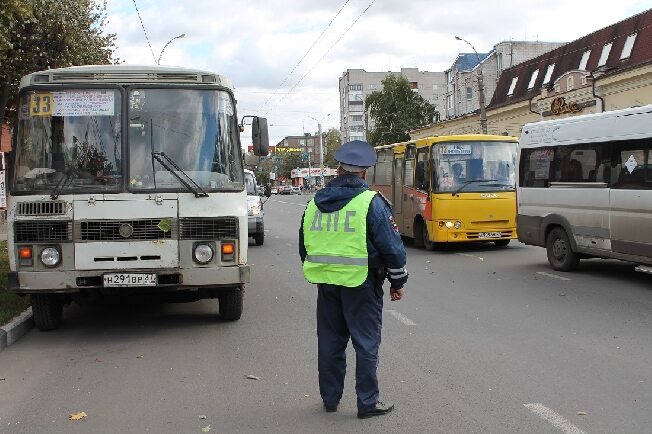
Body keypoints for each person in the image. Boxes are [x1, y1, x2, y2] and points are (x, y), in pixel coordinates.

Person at [299, 140, 408, 419]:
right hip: (362, 285)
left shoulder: (313, 204)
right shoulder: (371, 203)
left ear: (337, 170)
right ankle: (367, 403)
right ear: (364, 173)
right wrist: (397, 283)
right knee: (366, 343)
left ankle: (330, 399)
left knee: (330, 343)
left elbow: (304, 248)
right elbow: (392, 248)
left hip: (326, 285)